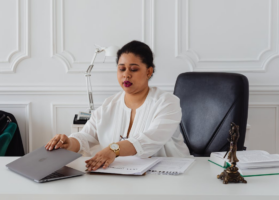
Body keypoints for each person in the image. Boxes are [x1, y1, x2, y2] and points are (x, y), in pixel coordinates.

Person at [45, 40, 190, 171]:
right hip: (122, 175)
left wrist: (113, 149)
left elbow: (149, 139)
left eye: (133, 69)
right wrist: (69, 143)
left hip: (169, 176)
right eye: (122, 69)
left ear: (149, 71)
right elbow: (85, 136)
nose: (126, 75)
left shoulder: (167, 102)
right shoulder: (109, 104)